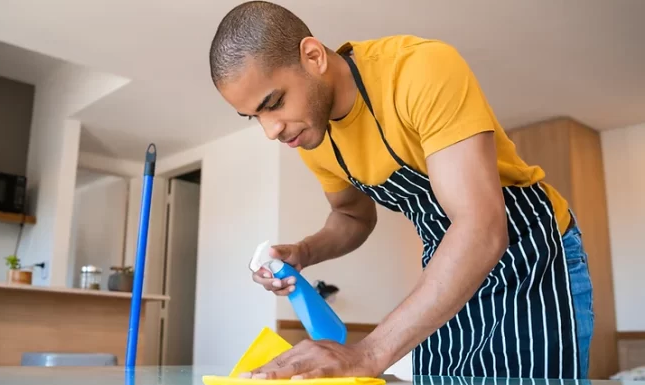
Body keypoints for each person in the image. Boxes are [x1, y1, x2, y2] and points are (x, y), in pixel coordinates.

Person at [208, 0, 594, 380]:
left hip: (530, 258)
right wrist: (305, 252)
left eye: (274, 104)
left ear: (313, 56)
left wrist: (370, 352)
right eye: (254, 117)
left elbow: (481, 227)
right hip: (446, 273)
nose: (271, 130)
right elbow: (352, 216)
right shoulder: (312, 136)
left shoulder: (419, 70)